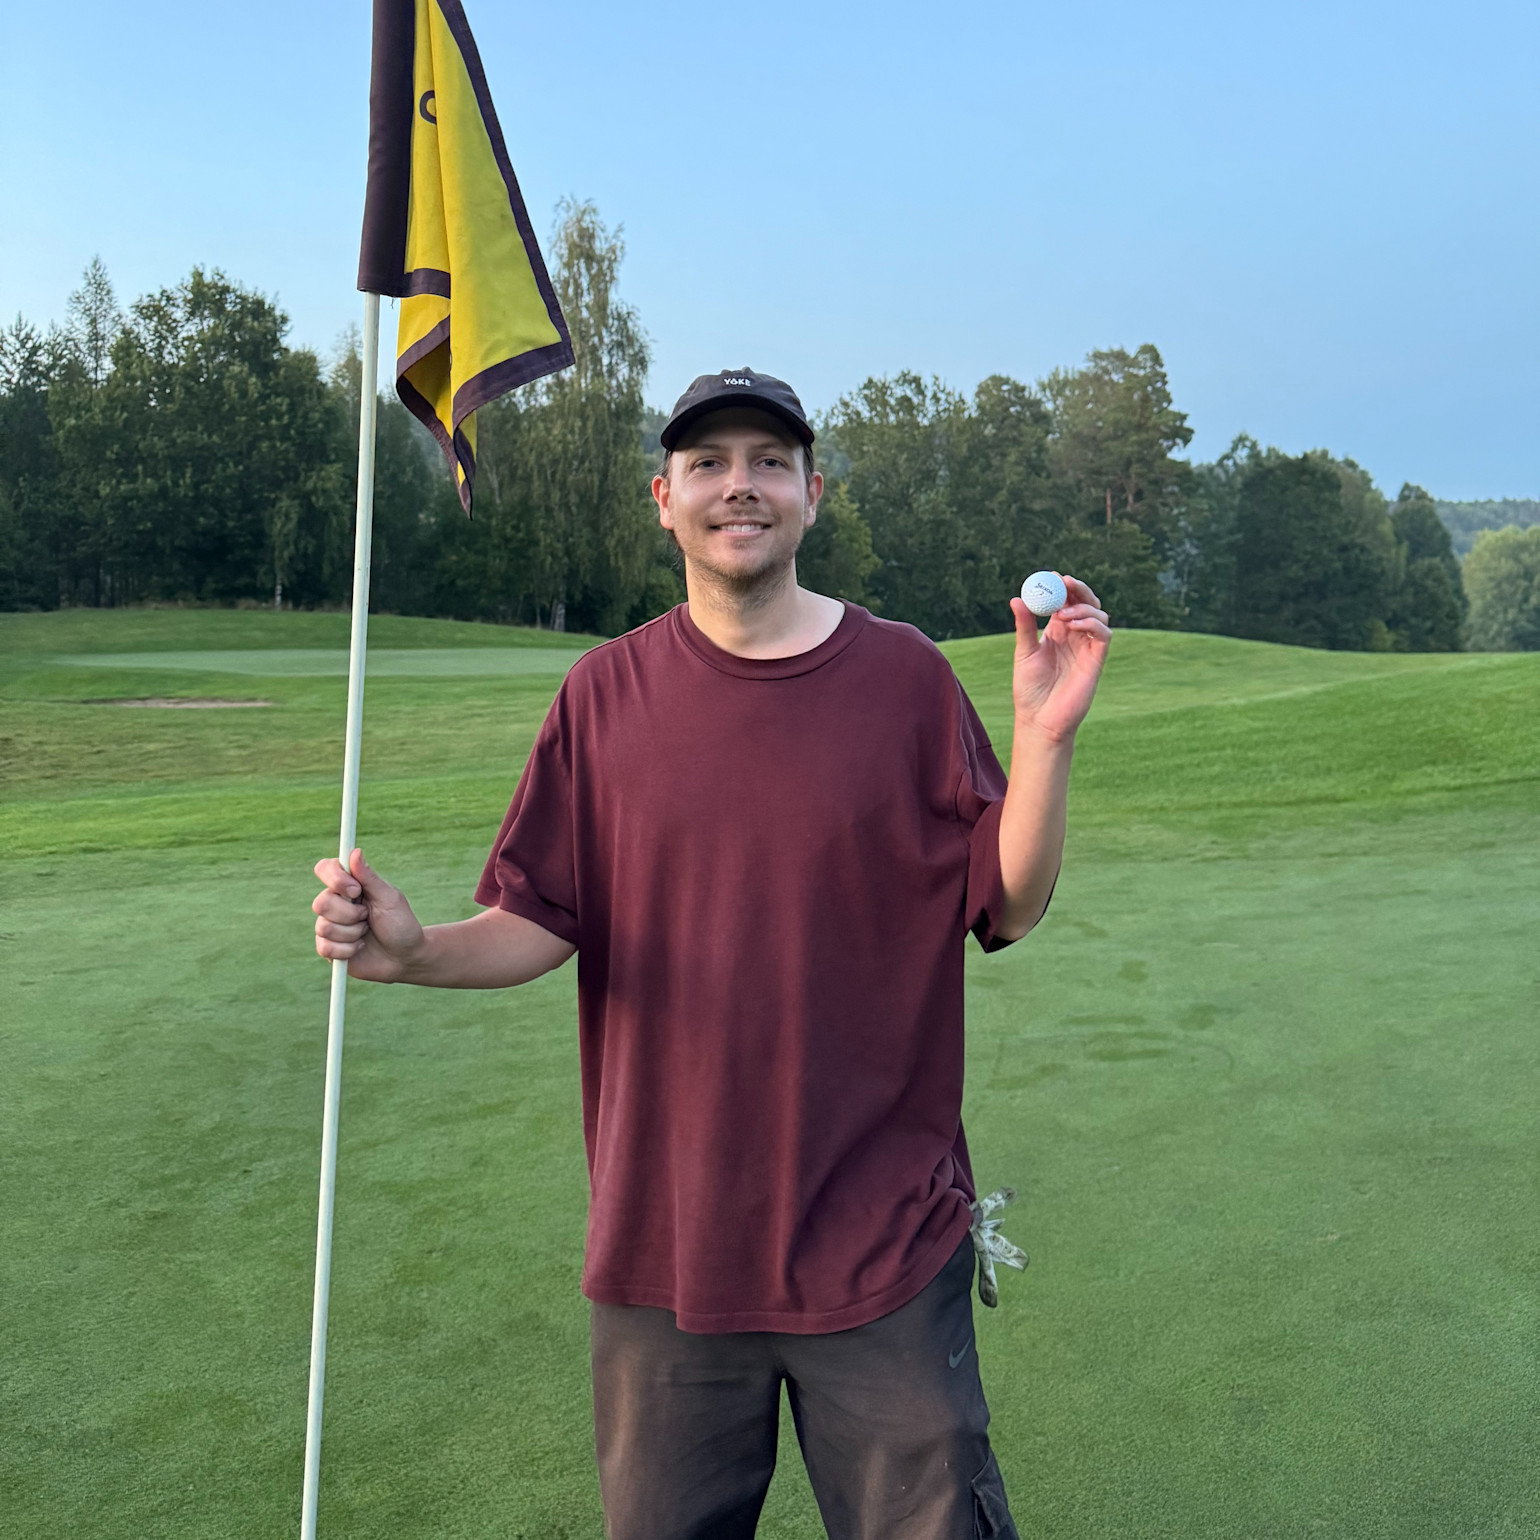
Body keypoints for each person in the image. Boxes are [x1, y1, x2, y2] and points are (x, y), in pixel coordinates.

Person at [312, 367, 1111, 1539]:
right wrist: (415, 949)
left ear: (811, 493)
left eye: (769, 463)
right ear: (664, 497)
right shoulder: (603, 696)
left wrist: (1043, 743)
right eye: (709, 465)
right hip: (665, 1251)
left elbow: (1008, 901)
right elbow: (542, 915)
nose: (741, 486)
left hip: (880, 1244)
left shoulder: (904, 682)